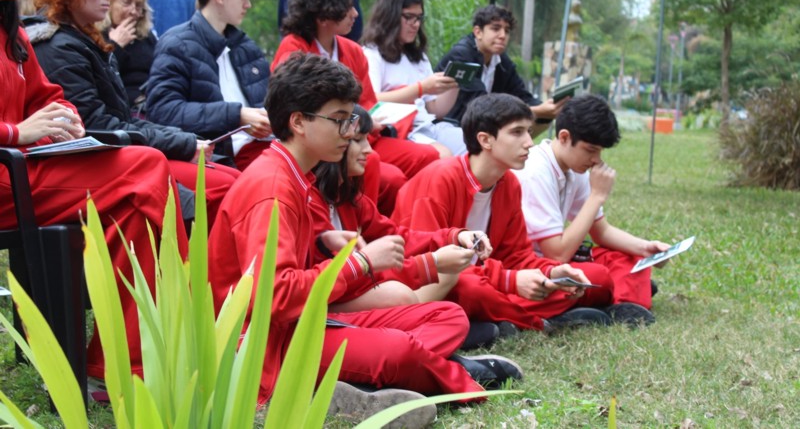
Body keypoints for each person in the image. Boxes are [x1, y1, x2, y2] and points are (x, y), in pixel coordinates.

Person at [208, 53, 522, 425]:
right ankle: (444, 375)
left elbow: (387, 238)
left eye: (350, 121)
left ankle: (380, 381)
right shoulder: (273, 187)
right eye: (340, 121)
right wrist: (362, 261)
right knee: (399, 349)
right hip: (271, 344)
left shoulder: (296, 177)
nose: (350, 135)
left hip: (306, 322)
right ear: (298, 122)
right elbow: (275, 297)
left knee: (444, 317)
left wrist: (327, 247)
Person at [0, 0, 187, 382]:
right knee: (146, 167)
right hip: (8, 174)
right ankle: (181, 329)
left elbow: (48, 96)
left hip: (26, 168)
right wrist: (17, 134)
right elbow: (21, 124)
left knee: (137, 209)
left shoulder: (14, 34)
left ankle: (120, 362)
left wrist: (62, 122)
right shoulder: (46, 37)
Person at [27, 0, 239, 226]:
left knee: (234, 179)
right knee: (227, 189)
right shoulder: (59, 47)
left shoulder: (86, 40)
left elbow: (120, 119)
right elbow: (97, 128)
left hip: (123, 153)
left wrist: (184, 140)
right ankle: (202, 270)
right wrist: (182, 143)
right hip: (98, 166)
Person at [393, 93, 616, 333]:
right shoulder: (441, 178)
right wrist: (511, 281)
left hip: (490, 280)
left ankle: (496, 320)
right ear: (485, 140)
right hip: (436, 283)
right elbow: (436, 264)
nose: (529, 142)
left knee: (597, 277)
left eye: (529, 131)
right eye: (517, 132)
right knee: (471, 289)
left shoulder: (508, 183)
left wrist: (551, 272)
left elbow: (517, 257)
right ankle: (534, 322)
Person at [272, 0, 439, 214]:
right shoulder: (293, 47)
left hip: (362, 136)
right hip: (319, 139)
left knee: (429, 157)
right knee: (382, 171)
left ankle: (407, 230)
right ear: (323, 17)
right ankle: (359, 229)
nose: (355, 14)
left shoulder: (351, 50)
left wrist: (372, 121)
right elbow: (292, 105)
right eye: (347, 8)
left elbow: (368, 103)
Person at [310, 105, 491, 313]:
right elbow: (345, 279)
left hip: (356, 289)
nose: (369, 149)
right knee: (398, 294)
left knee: (446, 275)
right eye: (358, 140)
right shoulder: (311, 200)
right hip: (327, 301)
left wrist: (455, 236)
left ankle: (422, 321)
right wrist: (430, 263)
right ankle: (423, 321)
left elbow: (397, 236)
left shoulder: (348, 196)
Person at [513, 94, 668, 325]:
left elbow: (601, 232)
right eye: (590, 150)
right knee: (598, 277)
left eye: (600, 152)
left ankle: (625, 304)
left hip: (557, 260)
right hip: (531, 263)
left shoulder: (575, 169)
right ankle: (617, 293)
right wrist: (597, 196)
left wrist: (646, 248)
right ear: (564, 137)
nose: (596, 160)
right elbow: (557, 254)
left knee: (630, 257)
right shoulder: (536, 171)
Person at [146, 0, 271, 170]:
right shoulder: (176, 44)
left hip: (265, 151)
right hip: (218, 159)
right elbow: (162, 112)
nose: (248, 4)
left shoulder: (245, 46)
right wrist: (236, 116)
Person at [362, 0, 465, 157]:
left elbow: (434, 109)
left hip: (428, 126)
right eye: (408, 17)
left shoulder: (418, 57)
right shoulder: (372, 53)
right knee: (443, 155)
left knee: (482, 147)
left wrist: (454, 84)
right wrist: (420, 88)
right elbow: (372, 100)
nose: (415, 24)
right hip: (399, 130)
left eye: (419, 18)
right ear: (390, 16)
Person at [435, 5, 565, 137]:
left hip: (478, 126)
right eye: (495, 28)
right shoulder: (462, 55)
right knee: (514, 128)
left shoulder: (501, 61)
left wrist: (548, 107)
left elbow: (521, 95)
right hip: (449, 126)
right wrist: (536, 111)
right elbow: (480, 103)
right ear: (478, 32)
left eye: (507, 31)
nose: (503, 35)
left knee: (542, 120)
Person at [99, 0, 157, 110]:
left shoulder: (146, 36)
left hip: (151, 104)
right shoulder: (97, 35)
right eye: (126, 3)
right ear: (110, 2)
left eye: (138, 6)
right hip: (122, 109)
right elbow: (102, 80)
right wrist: (115, 46)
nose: (133, 11)